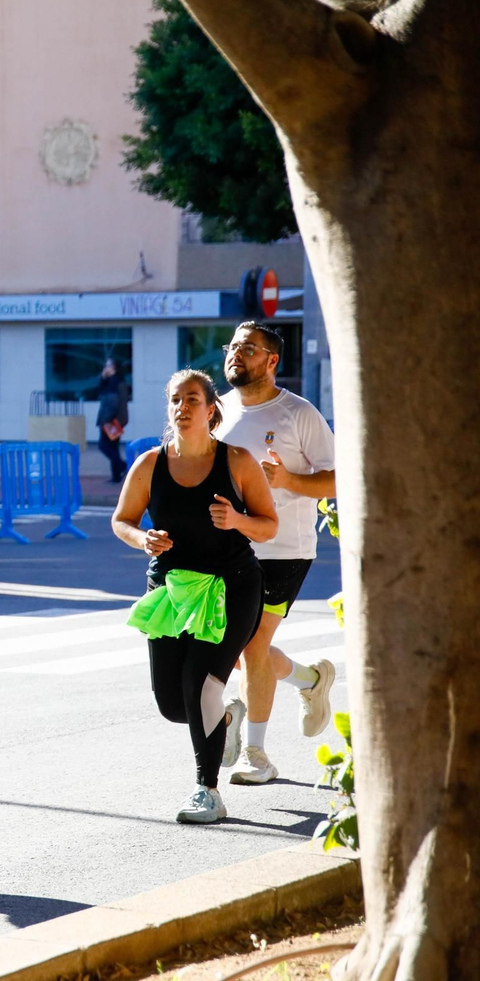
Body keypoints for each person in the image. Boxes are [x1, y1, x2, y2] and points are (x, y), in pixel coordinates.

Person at [112, 369, 277, 824]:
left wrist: (237, 521)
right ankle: (223, 723)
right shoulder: (150, 464)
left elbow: (268, 524)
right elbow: (121, 520)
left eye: (191, 400)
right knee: (171, 703)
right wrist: (142, 538)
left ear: (210, 409)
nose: (181, 408)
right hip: (170, 589)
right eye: (174, 401)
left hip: (231, 586)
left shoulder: (238, 461)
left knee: (200, 684)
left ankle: (207, 790)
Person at [215, 322, 338, 785]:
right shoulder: (219, 411)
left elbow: (338, 478)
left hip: (284, 549)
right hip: (227, 547)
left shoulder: (298, 414)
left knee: (251, 645)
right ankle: (310, 680)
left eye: (248, 348)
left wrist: (289, 482)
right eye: (232, 347)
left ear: (272, 361)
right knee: (238, 646)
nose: (236, 355)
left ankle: (256, 752)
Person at [97, 358, 131, 482]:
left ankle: (123, 465)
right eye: (105, 365)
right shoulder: (113, 381)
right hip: (115, 419)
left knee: (103, 445)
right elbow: (100, 389)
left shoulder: (115, 382)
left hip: (111, 419)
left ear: (115, 368)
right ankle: (116, 476)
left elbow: (112, 402)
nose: (106, 368)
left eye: (109, 366)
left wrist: (106, 421)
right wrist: (103, 377)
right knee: (113, 447)